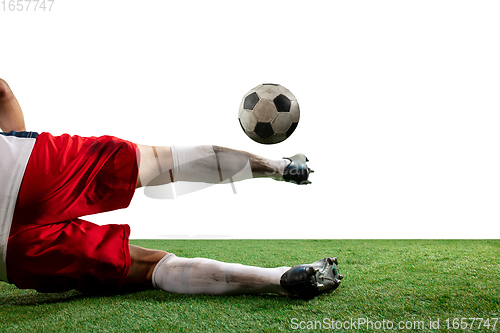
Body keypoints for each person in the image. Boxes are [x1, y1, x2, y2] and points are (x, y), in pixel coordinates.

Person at [0, 78, 342, 300]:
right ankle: (282, 167)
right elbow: (2, 91)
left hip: (8, 253)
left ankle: (280, 279)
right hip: (24, 166)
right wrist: (22, 162)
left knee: (151, 268)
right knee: (164, 163)